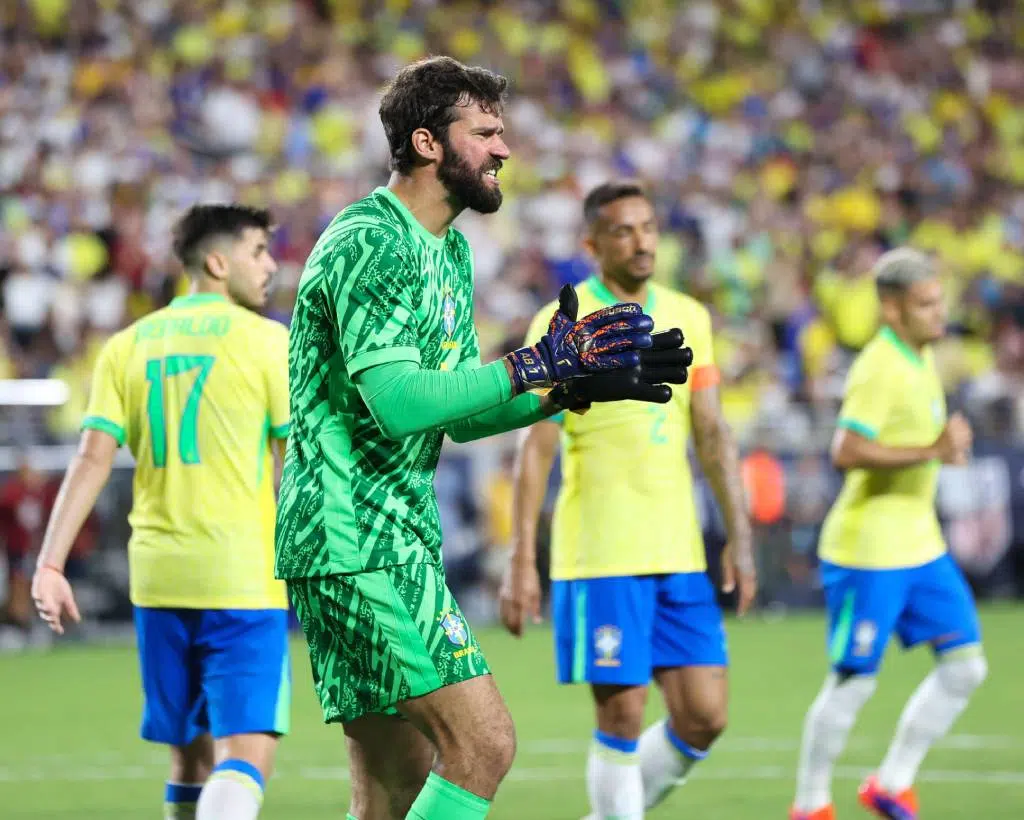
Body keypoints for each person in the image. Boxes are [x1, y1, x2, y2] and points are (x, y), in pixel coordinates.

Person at [274, 57, 690, 820]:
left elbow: (457, 411)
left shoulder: (450, 250)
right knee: (483, 746)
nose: (504, 150)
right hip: (354, 537)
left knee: (397, 792)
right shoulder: (371, 242)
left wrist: (567, 390)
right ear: (429, 143)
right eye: (487, 133)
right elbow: (398, 404)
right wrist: (533, 361)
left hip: (384, 536)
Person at [500, 180, 757, 820]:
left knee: (704, 714)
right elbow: (535, 449)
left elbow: (712, 434)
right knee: (621, 712)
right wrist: (520, 561)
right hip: (601, 549)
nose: (641, 242)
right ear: (592, 244)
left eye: (648, 228)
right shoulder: (564, 319)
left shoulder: (688, 314)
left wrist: (741, 540)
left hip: (678, 547)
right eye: (623, 231)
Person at [31, 204, 291, 820]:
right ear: (218, 261)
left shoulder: (128, 346)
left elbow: (91, 458)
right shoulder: (268, 342)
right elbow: (294, 464)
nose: (271, 266)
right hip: (243, 577)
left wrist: (50, 562)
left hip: (158, 579)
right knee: (247, 754)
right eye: (258, 252)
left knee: (188, 759)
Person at [790, 248, 987, 820]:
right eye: (925, 304)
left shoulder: (920, 356)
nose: (938, 312)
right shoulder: (880, 365)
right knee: (854, 683)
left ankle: (892, 784)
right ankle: (810, 805)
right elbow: (846, 450)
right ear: (892, 309)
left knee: (966, 667)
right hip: (869, 551)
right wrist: (932, 450)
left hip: (920, 545)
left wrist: (942, 443)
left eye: (939, 299)